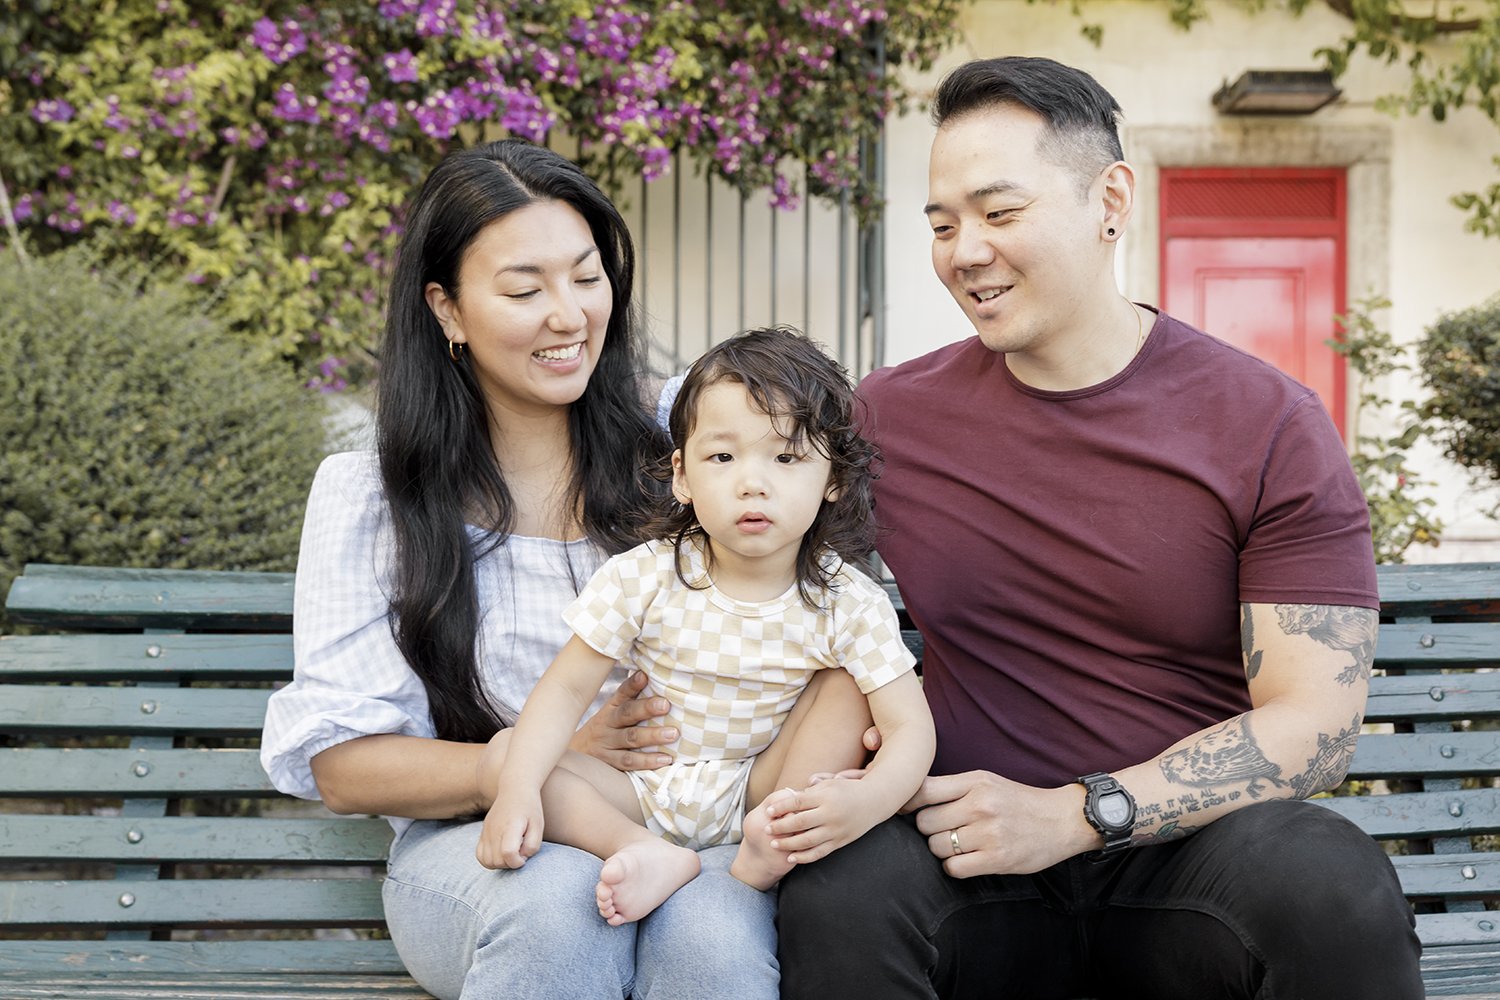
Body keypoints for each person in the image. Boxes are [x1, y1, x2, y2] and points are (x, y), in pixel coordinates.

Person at [776, 56, 1424, 999]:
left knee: (1333, 884)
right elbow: (752, 542)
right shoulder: (888, 420)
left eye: (1000, 214)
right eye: (943, 223)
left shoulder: (1266, 422)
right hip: (969, 849)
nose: (964, 250)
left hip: (1187, 857)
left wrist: (1086, 811)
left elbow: (1317, 727)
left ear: (1109, 199)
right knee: (839, 889)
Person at [261, 139, 795, 1000]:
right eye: (523, 289)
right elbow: (342, 764)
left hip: (695, 831)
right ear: (448, 310)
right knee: (556, 901)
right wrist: (527, 759)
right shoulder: (374, 497)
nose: (568, 314)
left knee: (711, 929)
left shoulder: (690, 437)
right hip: (483, 848)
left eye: (586, 277)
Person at [477, 326, 936, 927]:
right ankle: (639, 850)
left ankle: (764, 852)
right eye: (722, 457)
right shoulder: (645, 576)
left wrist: (867, 801)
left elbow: (910, 729)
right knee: (503, 757)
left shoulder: (847, 599)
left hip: (763, 790)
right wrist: (516, 794)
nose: (752, 481)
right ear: (683, 476)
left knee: (852, 686)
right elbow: (564, 690)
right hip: (638, 791)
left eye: (786, 457)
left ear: (834, 482)